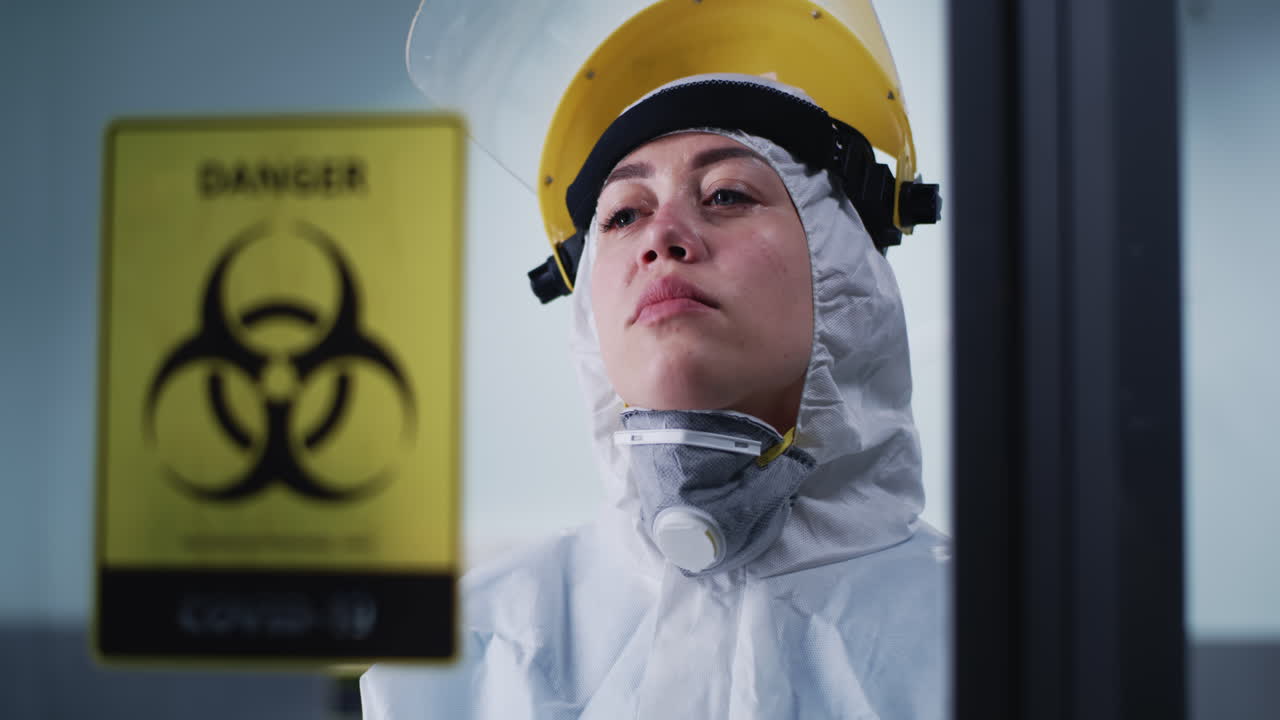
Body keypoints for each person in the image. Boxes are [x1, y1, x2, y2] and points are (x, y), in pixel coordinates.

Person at [361, 69, 948, 718]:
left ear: (844, 265)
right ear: (588, 305)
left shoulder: (1003, 633)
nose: (661, 237)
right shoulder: (466, 654)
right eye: (623, 214)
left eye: (726, 194)